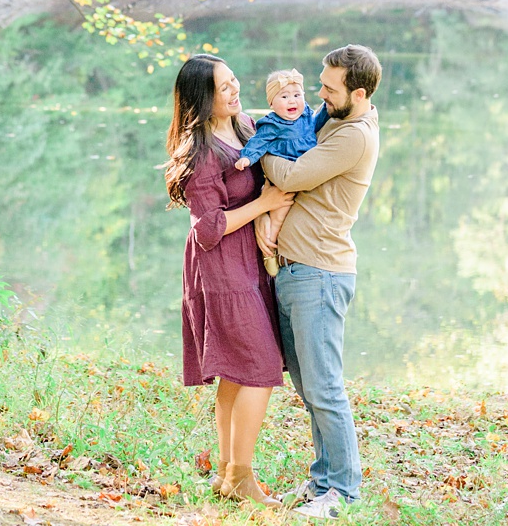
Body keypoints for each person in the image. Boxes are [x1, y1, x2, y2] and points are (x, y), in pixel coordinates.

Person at [257, 43, 383, 519]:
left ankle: (343, 494)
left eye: (329, 89)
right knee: (311, 390)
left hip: (320, 273)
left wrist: (262, 146)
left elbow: (291, 176)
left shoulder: (354, 135)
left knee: (326, 389)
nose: (319, 96)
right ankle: (322, 484)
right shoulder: (334, 118)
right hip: (294, 270)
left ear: (359, 91)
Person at [162, 53, 292, 504]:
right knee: (258, 368)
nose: (235, 90)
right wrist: (263, 205)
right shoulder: (199, 152)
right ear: (203, 98)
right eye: (224, 87)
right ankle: (241, 475)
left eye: (235, 80)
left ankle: (224, 473)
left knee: (237, 375)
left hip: (250, 263)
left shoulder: (247, 127)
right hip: (219, 269)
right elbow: (207, 228)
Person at [235, 69, 327, 276]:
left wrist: (330, 107)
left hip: (304, 171)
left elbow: (319, 120)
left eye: (297, 95)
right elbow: (258, 142)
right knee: (280, 213)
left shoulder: (306, 116)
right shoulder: (272, 124)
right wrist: (247, 157)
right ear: (271, 103)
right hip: (282, 176)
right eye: (284, 97)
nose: (291, 101)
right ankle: (269, 250)